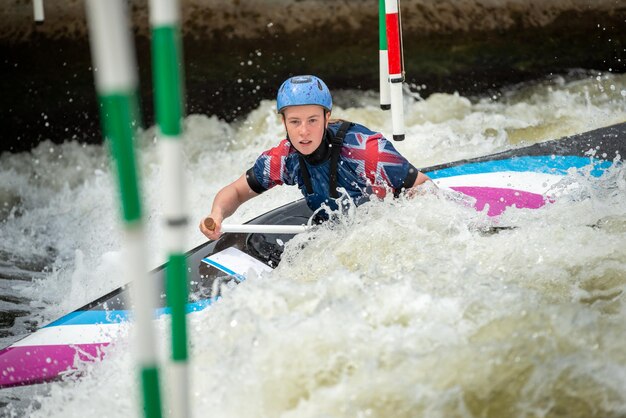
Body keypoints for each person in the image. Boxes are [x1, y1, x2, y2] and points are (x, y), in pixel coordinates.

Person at [199, 75, 431, 240]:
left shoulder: (365, 151)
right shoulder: (284, 158)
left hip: (381, 230)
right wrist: (216, 215)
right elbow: (236, 191)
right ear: (284, 123)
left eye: (312, 120)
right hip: (334, 235)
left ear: (326, 117)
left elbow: (423, 188)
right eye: (295, 122)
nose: (303, 131)